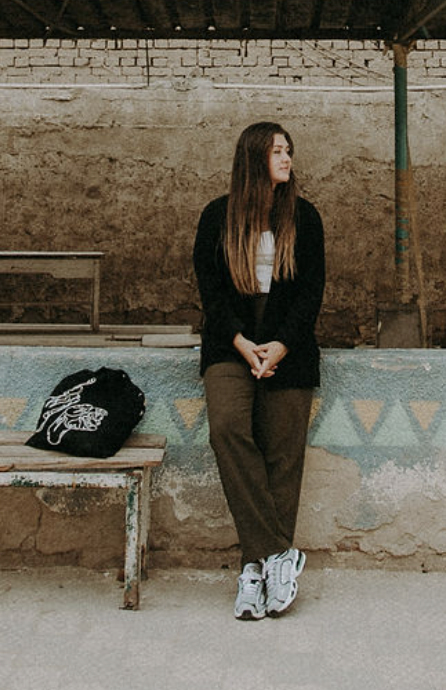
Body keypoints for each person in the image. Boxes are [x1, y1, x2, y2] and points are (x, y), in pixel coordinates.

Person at [193, 120, 325, 620]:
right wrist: (242, 343)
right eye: (276, 151)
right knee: (227, 428)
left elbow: (311, 291)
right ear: (253, 159)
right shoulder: (217, 217)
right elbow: (210, 290)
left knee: (283, 456)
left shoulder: (305, 218)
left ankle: (257, 569)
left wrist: (281, 346)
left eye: (288, 150)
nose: (287, 159)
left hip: (290, 348)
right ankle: (275, 556)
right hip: (230, 345)